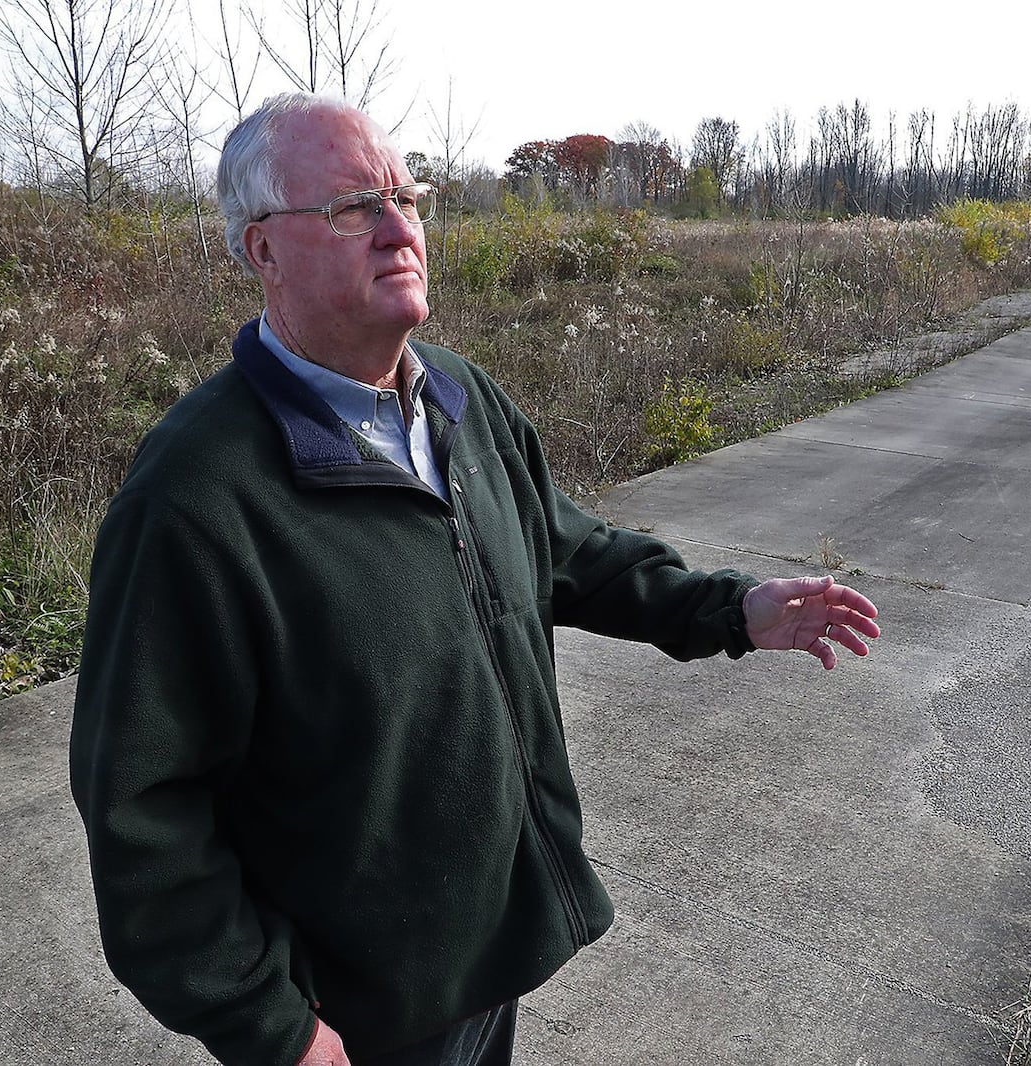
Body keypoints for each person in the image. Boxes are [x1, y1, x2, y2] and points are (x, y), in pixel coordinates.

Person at [69, 91, 880, 1066]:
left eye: (407, 195)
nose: (399, 227)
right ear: (262, 252)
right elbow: (143, 809)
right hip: (357, 1010)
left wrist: (727, 609)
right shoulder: (197, 497)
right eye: (351, 206)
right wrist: (273, 1028)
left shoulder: (452, 393)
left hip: (485, 949)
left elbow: (563, 548)